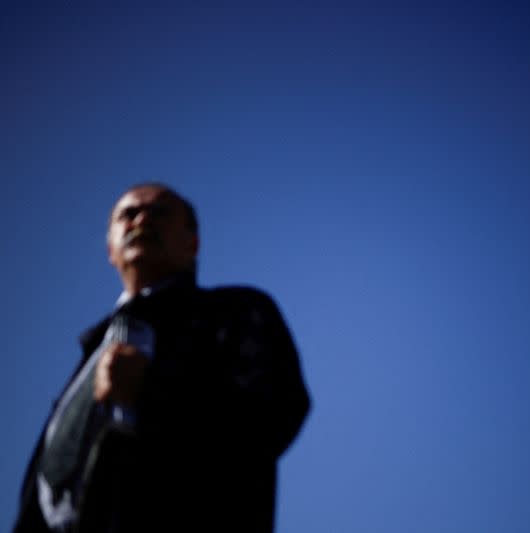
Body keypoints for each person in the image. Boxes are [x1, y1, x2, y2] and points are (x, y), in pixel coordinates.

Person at [14, 183, 311, 532]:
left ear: (193, 244)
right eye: (128, 214)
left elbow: (272, 412)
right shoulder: (91, 357)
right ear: (110, 249)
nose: (142, 220)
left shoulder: (234, 314)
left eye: (160, 213)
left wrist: (152, 391)